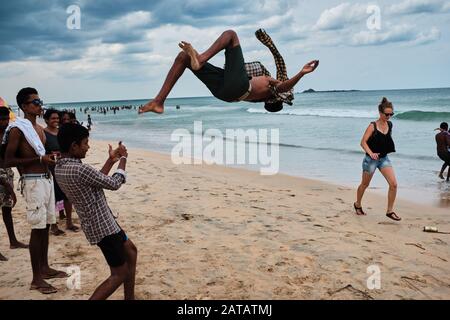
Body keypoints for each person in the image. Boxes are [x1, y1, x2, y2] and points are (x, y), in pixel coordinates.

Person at [139, 29, 319, 114]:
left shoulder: (270, 89)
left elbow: (283, 87)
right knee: (183, 57)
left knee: (231, 35)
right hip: (224, 92)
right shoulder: (263, 88)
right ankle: (158, 102)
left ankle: (200, 59)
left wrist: (302, 73)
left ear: (273, 100)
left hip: (237, 87)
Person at [55, 124, 137, 300]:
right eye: (85, 143)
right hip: (104, 228)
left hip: (102, 223)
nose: (88, 147)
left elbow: (95, 181)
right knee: (119, 274)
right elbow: (113, 183)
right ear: (74, 146)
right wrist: (123, 159)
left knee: (131, 251)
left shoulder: (60, 167)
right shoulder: (80, 169)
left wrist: (110, 160)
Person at [3, 87, 67, 294]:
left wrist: (50, 157)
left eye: (40, 101)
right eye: (35, 102)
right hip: (32, 182)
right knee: (37, 229)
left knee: (47, 225)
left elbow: (43, 155)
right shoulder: (17, 129)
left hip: (46, 179)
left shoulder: (38, 128)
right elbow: (8, 160)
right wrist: (39, 159)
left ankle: (45, 268)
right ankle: (36, 279)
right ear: (23, 106)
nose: (39, 105)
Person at [354, 97, 400, 221]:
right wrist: (371, 153)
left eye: (391, 114)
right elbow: (363, 142)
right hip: (370, 160)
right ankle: (357, 204)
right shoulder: (372, 126)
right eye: (387, 114)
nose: (389, 116)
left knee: (394, 184)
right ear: (380, 113)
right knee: (365, 184)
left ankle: (389, 211)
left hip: (384, 158)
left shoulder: (390, 124)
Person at [43, 109, 79, 234]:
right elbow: (41, 152)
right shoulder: (43, 134)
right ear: (46, 120)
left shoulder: (61, 132)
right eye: (53, 118)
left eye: (57, 118)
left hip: (63, 167)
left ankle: (69, 222)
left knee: (67, 195)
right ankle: (53, 226)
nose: (56, 120)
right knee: (52, 197)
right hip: (50, 169)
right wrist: (50, 154)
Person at [0, 107, 29, 261]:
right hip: (1, 178)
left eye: (6, 119)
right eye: (1, 119)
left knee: (7, 210)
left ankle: (13, 241)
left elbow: (14, 157)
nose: (4, 122)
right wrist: (8, 187)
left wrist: (23, 175)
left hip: (7, 173)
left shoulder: (7, 136)